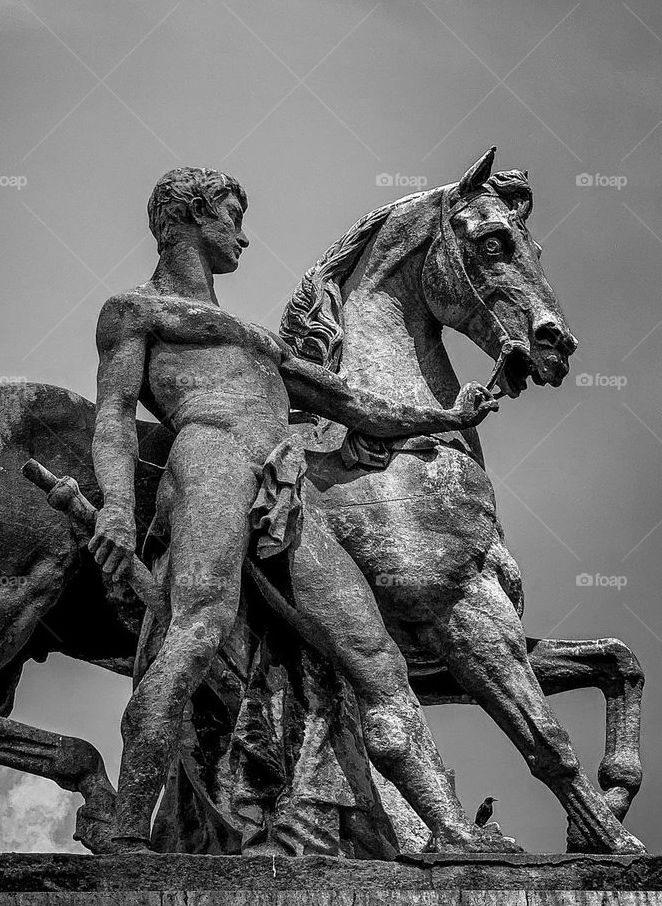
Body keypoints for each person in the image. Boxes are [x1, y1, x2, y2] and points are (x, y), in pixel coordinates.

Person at [90, 166, 505, 851]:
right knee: (199, 627)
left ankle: (453, 832)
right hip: (212, 455)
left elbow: (352, 404)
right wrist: (115, 507)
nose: (244, 237)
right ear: (191, 217)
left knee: (374, 655)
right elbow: (112, 413)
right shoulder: (134, 311)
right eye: (231, 216)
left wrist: (445, 413)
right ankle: (130, 833)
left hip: (284, 482)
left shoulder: (254, 336)